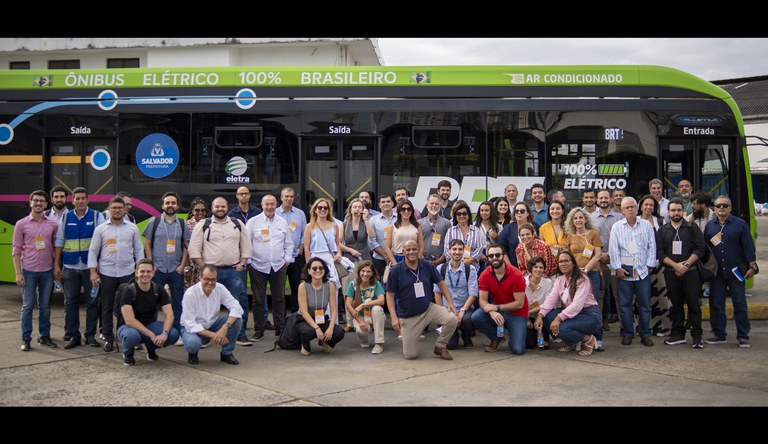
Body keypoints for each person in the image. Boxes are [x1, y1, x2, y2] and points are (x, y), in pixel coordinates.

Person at [188, 196, 252, 346]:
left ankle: (240, 334)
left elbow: (246, 246)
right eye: (217, 206)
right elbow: (194, 250)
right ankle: (204, 336)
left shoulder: (237, 224)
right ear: (212, 208)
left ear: (227, 208)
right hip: (210, 272)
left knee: (238, 302)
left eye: (223, 206)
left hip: (233, 271)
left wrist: (243, 263)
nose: (220, 209)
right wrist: (204, 268)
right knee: (204, 304)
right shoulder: (203, 225)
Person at [88, 196, 144, 352]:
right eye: (114, 208)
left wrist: (139, 270)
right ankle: (108, 337)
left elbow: (139, 249)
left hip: (127, 272)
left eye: (120, 208)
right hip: (107, 272)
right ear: (109, 209)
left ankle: (125, 335)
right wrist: (93, 271)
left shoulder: (132, 228)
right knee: (106, 306)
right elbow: (93, 250)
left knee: (125, 306)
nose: (117, 210)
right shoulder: (101, 229)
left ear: (125, 209)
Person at [386, 240, 458, 360]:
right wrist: (394, 317)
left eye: (414, 249)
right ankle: (412, 334)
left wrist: (450, 303)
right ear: (403, 252)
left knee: (452, 319)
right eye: (408, 250)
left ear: (419, 250)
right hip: (409, 317)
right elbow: (389, 295)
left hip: (428, 309)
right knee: (410, 355)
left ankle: (440, 346)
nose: (411, 252)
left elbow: (441, 283)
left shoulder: (427, 265)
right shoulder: (396, 271)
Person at [54, 187, 105, 349]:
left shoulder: (97, 217)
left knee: (92, 302)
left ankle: (90, 335)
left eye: (83, 198)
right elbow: (59, 242)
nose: (80, 201)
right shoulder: (65, 218)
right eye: (77, 198)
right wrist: (56, 265)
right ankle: (73, 335)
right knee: (70, 302)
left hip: (90, 269)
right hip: (69, 267)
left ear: (88, 200)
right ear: (73, 200)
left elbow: (103, 243)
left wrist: (97, 268)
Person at [704, 195, 756, 348]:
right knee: (717, 304)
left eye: (725, 205)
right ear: (714, 208)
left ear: (730, 208)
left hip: (736, 272)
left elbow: (748, 247)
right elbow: (705, 249)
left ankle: (743, 336)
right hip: (717, 273)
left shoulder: (740, 225)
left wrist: (752, 266)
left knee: (740, 304)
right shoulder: (710, 226)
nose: (721, 208)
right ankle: (720, 334)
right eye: (718, 206)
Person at [657, 198, 706, 348]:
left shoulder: (692, 227)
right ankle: (678, 334)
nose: (676, 213)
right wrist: (676, 266)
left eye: (678, 210)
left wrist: (685, 264)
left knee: (694, 305)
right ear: (668, 212)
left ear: (683, 211)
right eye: (673, 210)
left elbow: (700, 248)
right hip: (671, 273)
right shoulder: (663, 230)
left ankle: (697, 337)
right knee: (676, 305)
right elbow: (660, 253)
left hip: (691, 273)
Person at [13, 190, 59, 351]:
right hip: (29, 271)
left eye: (42, 201)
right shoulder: (21, 224)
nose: (39, 203)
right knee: (27, 306)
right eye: (36, 200)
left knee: (45, 306)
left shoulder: (53, 224)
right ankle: (26, 339)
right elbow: (16, 250)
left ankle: (44, 336)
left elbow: (56, 247)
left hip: (47, 271)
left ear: (47, 204)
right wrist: (18, 273)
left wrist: (56, 268)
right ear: (30, 202)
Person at [609, 197, 657, 347]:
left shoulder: (646, 225)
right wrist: (617, 268)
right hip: (625, 272)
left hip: (643, 272)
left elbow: (652, 246)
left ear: (637, 208)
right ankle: (628, 333)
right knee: (625, 305)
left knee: (644, 305)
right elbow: (613, 249)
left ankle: (645, 334)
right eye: (626, 207)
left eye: (632, 207)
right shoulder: (617, 227)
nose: (630, 210)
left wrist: (650, 265)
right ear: (622, 210)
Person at [534, 251, 602, 356]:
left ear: (573, 263)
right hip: (573, 314)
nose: (563, 264)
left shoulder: (582, 279)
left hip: (589, 315)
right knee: (546, 317)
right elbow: (551, 300)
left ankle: (588, 339)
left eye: (566, 261)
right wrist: (540, 315)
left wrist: (558, 319)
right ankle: (572, 342)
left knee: (561, 327)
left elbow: (577, 305)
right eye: (561, 261)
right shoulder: (560, 280)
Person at [142, 191, 190, 340]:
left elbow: (186, 246)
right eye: (167, 203)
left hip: (176, 269)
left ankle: (177, 333)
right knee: (154, 303)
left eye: (173, 203)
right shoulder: (154, 222)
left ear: (177, 206)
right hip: (158, 269)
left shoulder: (182, 224)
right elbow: (147, 244)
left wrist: (183, 266)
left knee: (177, 302)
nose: (170, 205)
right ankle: (151, 332)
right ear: (163, 205)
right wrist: (151, 264)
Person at [246, 194, 293, 341]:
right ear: (262, 205)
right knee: (258, 300)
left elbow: (289, 244)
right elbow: (246, 243)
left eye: (272, 204)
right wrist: (249, 262)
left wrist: (286, 260)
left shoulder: (282, 222)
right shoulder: (253, 222)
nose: (270, 207)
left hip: (278, 266)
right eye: (267, 204)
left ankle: (280, 330)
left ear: (276, 204)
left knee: (279, 299)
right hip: (258, 266)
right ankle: (259, 330)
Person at [116, 259, 180, 365]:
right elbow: (129, 321)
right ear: (136, 272)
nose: (145, 274)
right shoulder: (128, 290)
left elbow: (170, 314)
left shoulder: (158, 289)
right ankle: (128, 353)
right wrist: (151, 334)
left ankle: (151, 347)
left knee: (173, 334)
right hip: (129, 328)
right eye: (142, 271)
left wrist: (164, 333)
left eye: (148, 272)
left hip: (150, 325)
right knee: (131, 336)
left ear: (153, 272)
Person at [180, 265, 244, 365]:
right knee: (193, 343)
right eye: (206, 279)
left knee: (237, 320)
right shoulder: (190, 293)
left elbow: (236, 307)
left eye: (213, 280)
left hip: (212, 323)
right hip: (193, 327)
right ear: (199, 278)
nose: (210, 282)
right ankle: (193, 354)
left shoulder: (220, 288)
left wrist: (225, 328)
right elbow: (190, 324)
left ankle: (226, 353)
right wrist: (215, 336)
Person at [471, 243, 528, 355]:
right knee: (476, 317)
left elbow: (519, 304)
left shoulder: (516, 274)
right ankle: (497, 338)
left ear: (503, 256)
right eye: (491, 256)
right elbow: (482, 300)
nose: (494, 258)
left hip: (516, 313)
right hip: (497, 310)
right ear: (487, 258)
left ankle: (514, 337)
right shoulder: (485, 275)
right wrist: (492, 311)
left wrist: (496, 307)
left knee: (518, 349)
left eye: (497, 255)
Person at [564, 207, 604, 350]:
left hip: (591, 273)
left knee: (592, 306)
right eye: (575, 218)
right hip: (575, 275)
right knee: (576, 305)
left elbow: (598, 254)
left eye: (581, 217)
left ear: (585, 219)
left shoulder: (593, 234)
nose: (578, 220)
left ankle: (598, 338)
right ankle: (581, 338)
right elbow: (567, 256)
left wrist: (586, 269)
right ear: (572, 221)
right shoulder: (570, 236)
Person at [228, 186, 263, 332]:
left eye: (246, 193)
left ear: (249, 196)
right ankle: (242, 323)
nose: (243, 196)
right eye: (241, 194)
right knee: (241, 292)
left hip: (256, 257)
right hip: (240, 259)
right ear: (237, 196)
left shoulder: (258, 212)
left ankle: (263, 320)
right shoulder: (231, 214)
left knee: (259, 292)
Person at [296, 257, 346, 356]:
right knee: (309, 331)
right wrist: (317, 328)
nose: (318, 270)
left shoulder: (330, 286)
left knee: (339, 332)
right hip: (304, 319)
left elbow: (334, 310)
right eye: (314, 268)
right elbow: (304, 311)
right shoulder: (303, 286)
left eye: (321, 268)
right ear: (309, 271)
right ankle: (305, 345)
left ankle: (324, 341)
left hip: (321, 319)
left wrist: (330, 328)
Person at [435, 239, 478, 349]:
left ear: (464, 251)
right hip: (447, 309)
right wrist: (442, 312)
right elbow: (437, 292)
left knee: (469, 319)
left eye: (460, 249)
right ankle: (452, 334)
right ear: (449, 251)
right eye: (454, 249)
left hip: (464, 308)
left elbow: (473, 294)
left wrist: (462, 312)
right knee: (451, 346)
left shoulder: (470, 269)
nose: (457, 252)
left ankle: (466, 335)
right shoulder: (441, 269)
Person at [639, 194, 671, 337]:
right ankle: (643, 327)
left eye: (651, 205)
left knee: (660, 297)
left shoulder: (660, 220)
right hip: (639, 265)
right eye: (646, 204)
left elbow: (665, 241)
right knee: (642, 298)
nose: (648, 207)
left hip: (658, 264)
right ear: (641, 206)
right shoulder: (636, 220)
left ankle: (663, 327)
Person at [591, 189, 623, 331]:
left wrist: (610, 255)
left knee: (619, 295)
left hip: (616, 261)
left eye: (606, 198)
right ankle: (600, 323)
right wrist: (599, 255)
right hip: (598, 261)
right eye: (601, 198)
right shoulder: (590, 218)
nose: (603, 200)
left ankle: (625, 326)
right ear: (597, 200)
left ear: (610, 199)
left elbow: (624, 240)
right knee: (600, 295)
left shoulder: (620, 217)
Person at [276, 187, 307, 314]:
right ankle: (281, 317)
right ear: (281, 198)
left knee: (296, 287)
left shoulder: (300, 214)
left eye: (291, 197)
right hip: (280, 257)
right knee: (279, 288)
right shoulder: (275, 213)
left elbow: (304, 234)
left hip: (296, 256)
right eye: (286, 196)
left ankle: (295, 314)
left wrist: (300, 250)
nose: (289, 199)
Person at [345, 260, 386, 354]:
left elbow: (382, 300)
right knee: (361, 331)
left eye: (368, 271)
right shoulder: (353, 284)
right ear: (359, 272)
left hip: (373, 315)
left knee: (377, 309)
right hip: (360, 316)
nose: (365, 274)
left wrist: (363, 304)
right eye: (363, 271)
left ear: (372, 273)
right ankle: (364, 339)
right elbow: (348, 304)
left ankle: (379, 343)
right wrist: (360, 320)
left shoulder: (376, 284)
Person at [524, 256, 553, 350]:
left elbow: (548, 303)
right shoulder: (522, 282)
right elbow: (520, 303)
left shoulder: (548, 283)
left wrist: (534, 313)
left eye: (541, 267)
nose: (538, 270)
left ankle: (546, 336)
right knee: (530, 344)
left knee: (550, 313)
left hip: (542, 315)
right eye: (535, 267)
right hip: (526, 316)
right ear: (531, 269)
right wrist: (527, 318)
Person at [444, 201, 483, 267]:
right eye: (459, 214)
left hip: (472, 267)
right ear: (455, 216)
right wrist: (457, 262)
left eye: (464, 213)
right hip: (454, 267)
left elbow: (479, 248)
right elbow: (446, 249)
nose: (462, 216)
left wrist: (469, 261)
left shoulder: (476, 230)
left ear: (468, 215)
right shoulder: (450, 231)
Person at [499, 201, 537, 267]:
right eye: (516, 211)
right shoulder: (508, 228)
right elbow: (502, 248)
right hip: (513, 266)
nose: (519, 213)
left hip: (534, 266)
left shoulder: (535, 226)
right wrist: (510, 266)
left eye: (522, 211)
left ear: (528, 213)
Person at [418, 193, 452, 267]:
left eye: (436, 204)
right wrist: (422, 258)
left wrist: (440, 260)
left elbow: (449, 244)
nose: (434, 205)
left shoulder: (447, 223)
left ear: (440, 206)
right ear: (427, 205)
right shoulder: (419, 223)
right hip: (423, 261)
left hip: (441, 262)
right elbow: (417, 242)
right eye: (431, 203)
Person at [368, 194, 397, 278]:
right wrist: (385, 256)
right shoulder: (373, 220)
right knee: (380, 284)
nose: (386, 204)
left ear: (392, 203)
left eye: (388, 201)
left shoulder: (400, 218)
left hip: (397, 258)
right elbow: (371, 241)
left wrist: (391, 257)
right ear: (379, 205)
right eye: (383, 202)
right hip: (379, 259)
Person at [184, 198, 207, 290]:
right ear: (192, 212)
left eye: (203, 210)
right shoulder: (187, 225)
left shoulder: (209, 224)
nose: (200, 212)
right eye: (197, 210)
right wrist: (186, 268)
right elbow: (184, 248)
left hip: (205, 263)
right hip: (191, 265)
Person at [342, 198, 375, 263]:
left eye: (360, 207)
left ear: (363, 209)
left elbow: (372, 235)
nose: (357, 209)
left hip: (364, 257)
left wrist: (366, 219)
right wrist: (351, 250)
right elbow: (338, 243)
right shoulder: (345, 224)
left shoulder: (366, 223)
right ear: (351, 210)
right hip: (349, 258)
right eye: (355, 207)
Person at [474, 201, 502, 272]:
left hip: (494, 254)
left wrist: (496, 238)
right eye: (482, 210)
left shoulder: (498, 227)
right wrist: (479, 254)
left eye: (486, 210)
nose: (484, 213)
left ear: (491, 212)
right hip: (479, 255)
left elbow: (502, 243)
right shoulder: (474, 226)